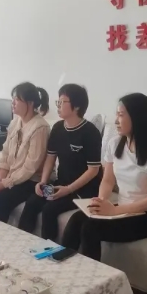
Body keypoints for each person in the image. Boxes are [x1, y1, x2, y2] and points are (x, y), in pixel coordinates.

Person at [61, 93, 147, 261]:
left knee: (91, 228)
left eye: (121, 115)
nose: (116, 120)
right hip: (126, 209)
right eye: (116, 114)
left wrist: (113, 210)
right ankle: (60, 264)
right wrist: (101, 202)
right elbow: (107, 180)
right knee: (77, 219)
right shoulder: (114, 144)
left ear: (137, 117)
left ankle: (91, 276)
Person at [18, 84, 102, 241]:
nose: (58, 105)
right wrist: (43, 182)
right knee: (33, 202)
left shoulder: (90, 132)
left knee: (49, 209)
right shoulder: (58, 128)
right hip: (61, 184)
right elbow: (50, 158)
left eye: (62, 102)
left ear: (77, 106)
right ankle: (22, 243)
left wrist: (68, 189)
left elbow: (93, 170)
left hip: (83, 191)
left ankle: (49, 250)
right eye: (58, 101)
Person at [0, 82, 51, 223]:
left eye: (17, 99)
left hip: (31, 180)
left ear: (30, 103)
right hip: (13, 175)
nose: (13, 103)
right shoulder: (15, 122)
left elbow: (30, 167)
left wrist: (7, 183)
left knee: (2, 200)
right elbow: (6, 153)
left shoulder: (40, 128)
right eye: (12, 99)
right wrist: (0, 178)